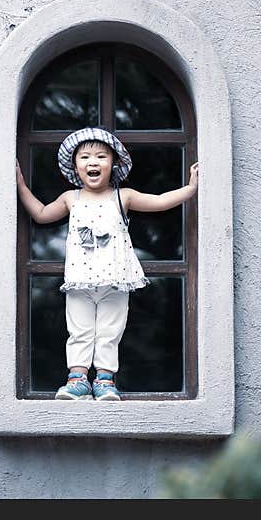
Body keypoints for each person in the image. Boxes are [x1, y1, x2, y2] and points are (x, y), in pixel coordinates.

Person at [16, 126, 198, 401]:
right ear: (75, 166)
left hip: (115, 280)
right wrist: (19, 185)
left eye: (101, 156)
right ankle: (77, 379)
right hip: (80, 281)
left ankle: (104, 380)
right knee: (79, 330)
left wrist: (191, 188)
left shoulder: (122, 196)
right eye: (85, 157)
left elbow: (159, 201)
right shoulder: (71, 198)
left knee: (110, 331)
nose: (93, 162)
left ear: (113, 164)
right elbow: (41, 214)